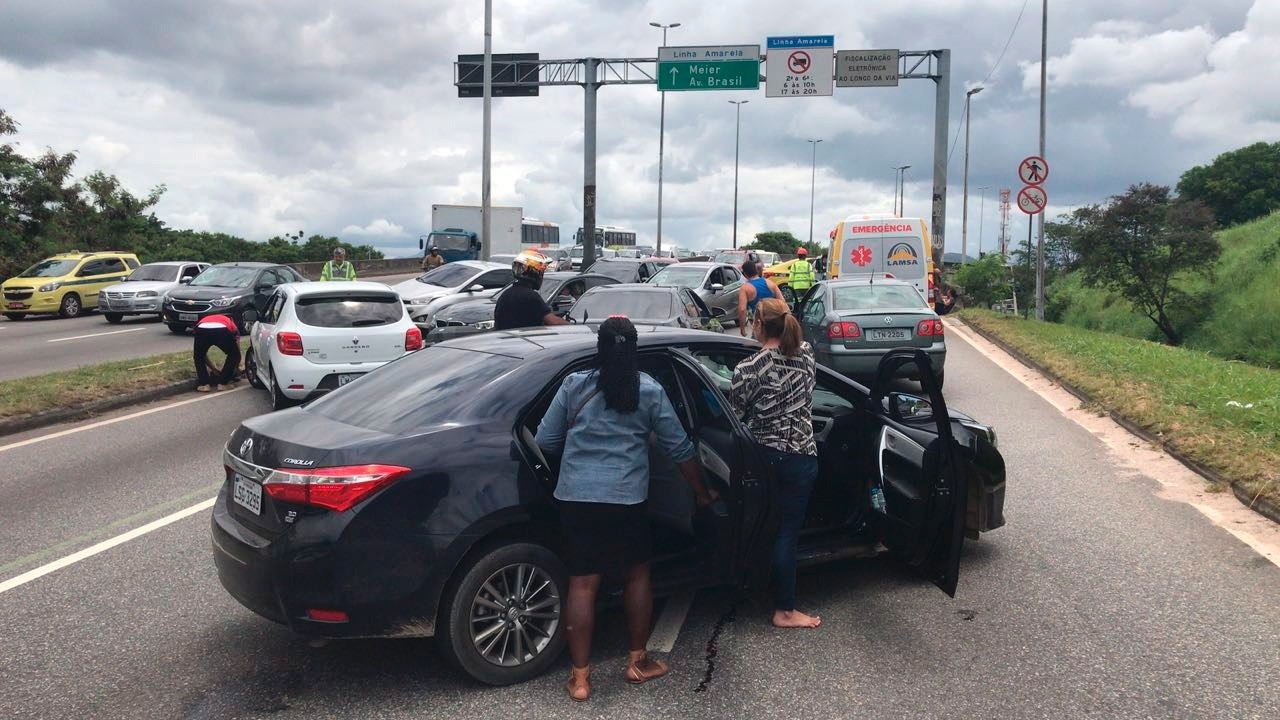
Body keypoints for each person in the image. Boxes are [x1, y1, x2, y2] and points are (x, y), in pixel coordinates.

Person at [536, 316, 717, 702]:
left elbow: (546, 439)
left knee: (583, 584)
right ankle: (637, 663)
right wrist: (701, 493)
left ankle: (580, 679)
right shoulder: (648, 390)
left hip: (577, 499)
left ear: (599, 347)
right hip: (627, 500)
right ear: (633, 349)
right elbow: (680, 448)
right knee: (637, 576)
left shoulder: (573, 385)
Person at [729, 298, 821, 630]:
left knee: (762, 526)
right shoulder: (807, 354)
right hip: (801, 456)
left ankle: (753, 588)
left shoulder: (747, 369)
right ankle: (785, 608)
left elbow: (735, 415)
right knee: (787, 533)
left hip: (764, 458)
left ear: (758, 323)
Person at [494, 250, 570, 330]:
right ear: (535, 274)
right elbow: (553, 322)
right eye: (542, 273)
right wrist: (575, 328)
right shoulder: (531, 297)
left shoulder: (505, 295)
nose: (542, 277)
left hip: (507, 341)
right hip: (527, 341)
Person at [193, 313, 240, 393]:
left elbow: (202, 355)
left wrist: (213, 369)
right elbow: (237, 352)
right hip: (222, 329)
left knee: (198, 356)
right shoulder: (231, 322)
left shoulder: (205, 319)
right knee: (233, 354)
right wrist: (235, 368)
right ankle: (223, 383)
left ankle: (204, 385)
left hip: (201, 328)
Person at [736, 260, 782, 337]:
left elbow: (742, 310)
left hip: (759, 326)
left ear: (745, 274)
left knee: (756, 347)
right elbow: (782, 302)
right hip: (774, 323)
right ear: (756, 270)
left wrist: (742, 329)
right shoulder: (771, 284)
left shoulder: (745, 288)